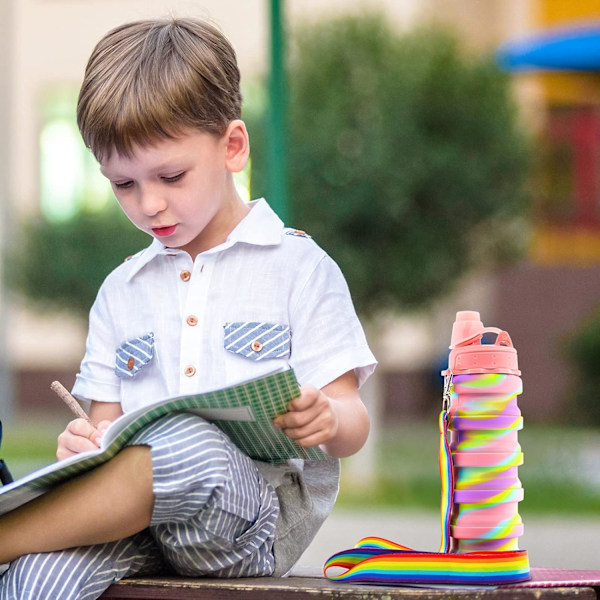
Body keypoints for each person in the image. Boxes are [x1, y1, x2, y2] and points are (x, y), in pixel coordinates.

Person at [0, 16, 376, 599]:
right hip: (145, 527)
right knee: (36, 575)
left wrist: (327, 417)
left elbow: (353, 422)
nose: (150, 203)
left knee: (183, 440)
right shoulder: (121, 290)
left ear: (232, 146)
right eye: (122, 185)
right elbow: (106, 422)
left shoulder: (298, 268)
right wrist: (85, 442)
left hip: (251, 525)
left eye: (170, 175)